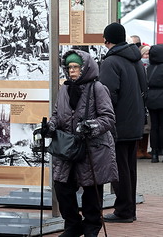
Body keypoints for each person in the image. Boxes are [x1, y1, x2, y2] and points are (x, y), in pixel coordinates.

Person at [48, 50, 118, 236]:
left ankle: (92, 226)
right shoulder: (64, 89)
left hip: (92, 148)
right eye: (69, 67)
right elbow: (57, 115)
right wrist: (50, 126)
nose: (72, 71)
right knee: (62, 187)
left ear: (85, 68)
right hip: (68, 148)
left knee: (91, 190)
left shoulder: (98, 88)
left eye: (76, 67)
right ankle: (73, 225)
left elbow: (108, 118)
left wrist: (91, 125)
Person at [99, 23, 147, 223]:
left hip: (118, 122)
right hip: (134, 121)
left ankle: (124, 211)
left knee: (119, 168)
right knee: (129, 167)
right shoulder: (135, 59)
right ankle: (129, 209)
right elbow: (145, 87)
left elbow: (107, 95)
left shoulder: (111, 62)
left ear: (107, 40)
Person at [137, 45, 152, 159]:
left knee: (147, 127)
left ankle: (144, 149)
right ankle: (138, 149)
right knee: (140, 125)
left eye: (148, 54)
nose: (147, 56)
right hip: (139, 98)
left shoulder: (152, 67)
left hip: (149, 99)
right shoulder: (137, 66)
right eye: (145, 54)